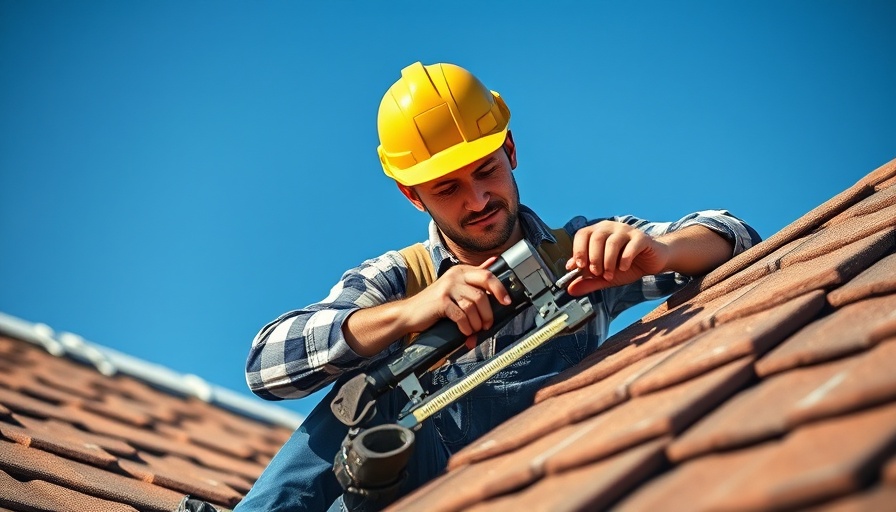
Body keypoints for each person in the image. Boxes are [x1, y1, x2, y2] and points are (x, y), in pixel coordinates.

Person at [235, 62, 762, 511]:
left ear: (509, 149)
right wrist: (410, 314)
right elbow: (265, 366)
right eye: (448, 188)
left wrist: (664, 254)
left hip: (555, 484)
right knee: (370, 393)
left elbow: (732, 235)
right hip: (428, 497)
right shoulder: (400, 280)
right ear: (413, 196)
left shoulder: (576, 252)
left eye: (486, 170)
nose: (478, 199)